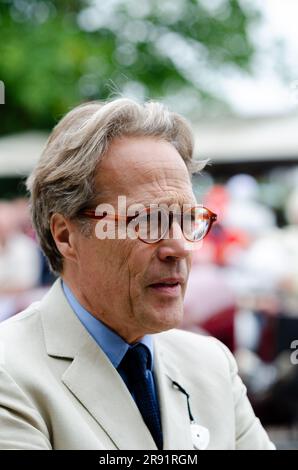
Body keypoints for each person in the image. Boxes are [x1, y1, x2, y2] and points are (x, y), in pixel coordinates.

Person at [0, 98, 275, 450]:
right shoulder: (11, 373)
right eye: (146, 219)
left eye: (187, 219)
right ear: (66, 235)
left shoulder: (211, 366)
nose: (180, 246)